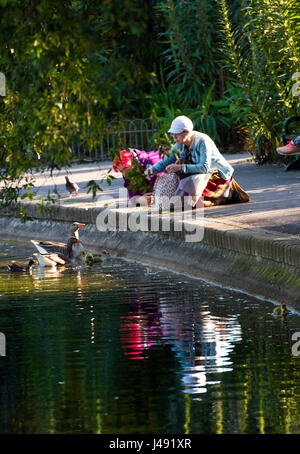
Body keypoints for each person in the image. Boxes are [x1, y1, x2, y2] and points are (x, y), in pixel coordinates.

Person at [144, 115, 249, 208]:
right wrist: (151, 170)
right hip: (198, 175)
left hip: (217, 175)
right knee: (178, 168)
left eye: (177, 134)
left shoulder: (203, 141)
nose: (174, 137)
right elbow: (165, 162)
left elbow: (204, 167)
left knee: (188, 176)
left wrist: (181, 167)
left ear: (187, 133)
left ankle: (225, 194)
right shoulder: (179, 143)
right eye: (173, 134)